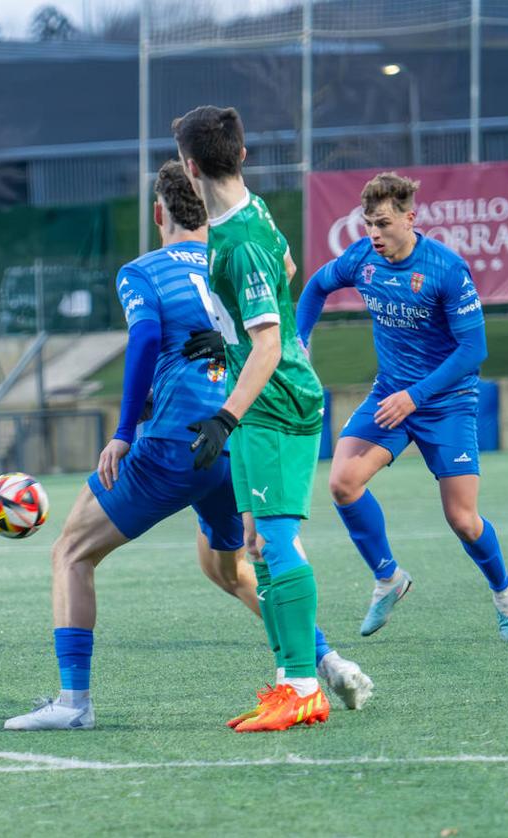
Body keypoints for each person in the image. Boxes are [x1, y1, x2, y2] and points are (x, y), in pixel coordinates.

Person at [4, 161, 370, 732]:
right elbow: (282, 286)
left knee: (70, 553)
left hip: (178, 442)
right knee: (232, 570)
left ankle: (74, 703)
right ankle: (325, 662)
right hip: (242, 430)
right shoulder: (230, 252)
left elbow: (146, 338)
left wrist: (124, 432)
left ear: (158, 214)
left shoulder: (143, 272)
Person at [295, 172, 508, 641]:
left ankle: (504, 594)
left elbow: (472, 350)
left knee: (462, 519)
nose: (373, 234)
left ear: (409, 218)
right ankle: (388, 578)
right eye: (367, 224)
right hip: (390, 394)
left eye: (382, 223)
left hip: (448, 402)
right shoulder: (362, 259)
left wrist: (416, 396)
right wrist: (299, 341)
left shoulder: (446, 269)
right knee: (342, 483)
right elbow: (316, 286)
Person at [172, 105, 330, 733]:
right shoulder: (254, 210)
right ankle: (295, 680)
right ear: (240, 156)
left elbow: (268, 345)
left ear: (189, 168)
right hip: (276, 389)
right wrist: (230, 337)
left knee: (275, 540)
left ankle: (301, 686)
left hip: (272, 401)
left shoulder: (235, 241)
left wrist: (224, 420)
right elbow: (287, 274)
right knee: (260, 542)